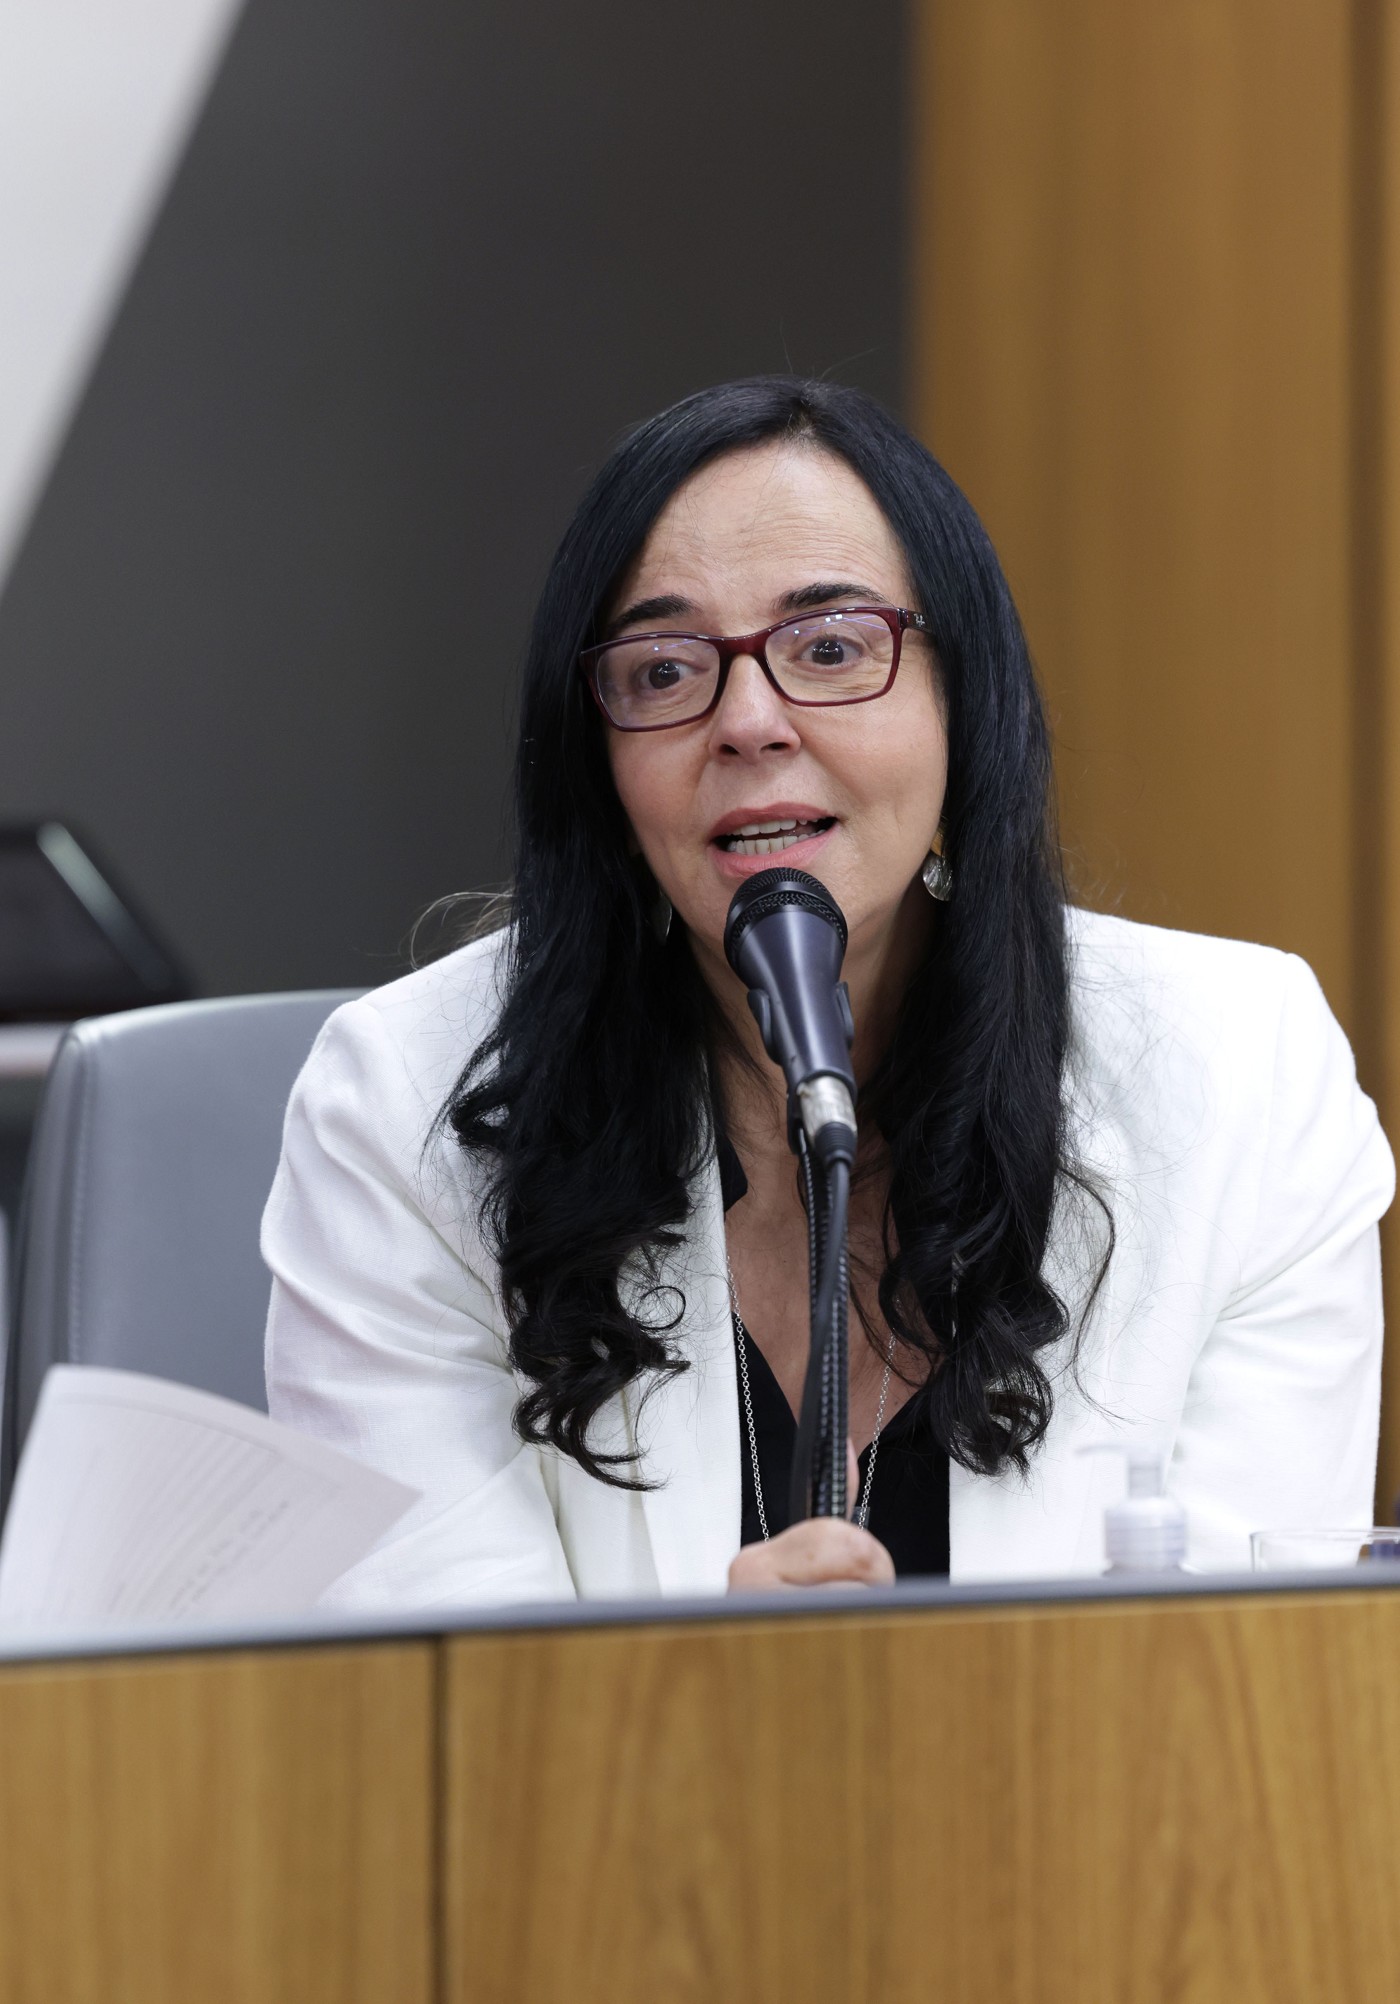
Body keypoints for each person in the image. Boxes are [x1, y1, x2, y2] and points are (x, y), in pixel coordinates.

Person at [262, 377, 1394, 1608]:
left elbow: (1238, 1678)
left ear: (964, 701)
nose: (748, 721)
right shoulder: (403, 1106)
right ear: (597, 763)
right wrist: (724, 1693)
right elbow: (436, 1696)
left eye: (831, 649)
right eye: (662, 671)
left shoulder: (1238, 1072)